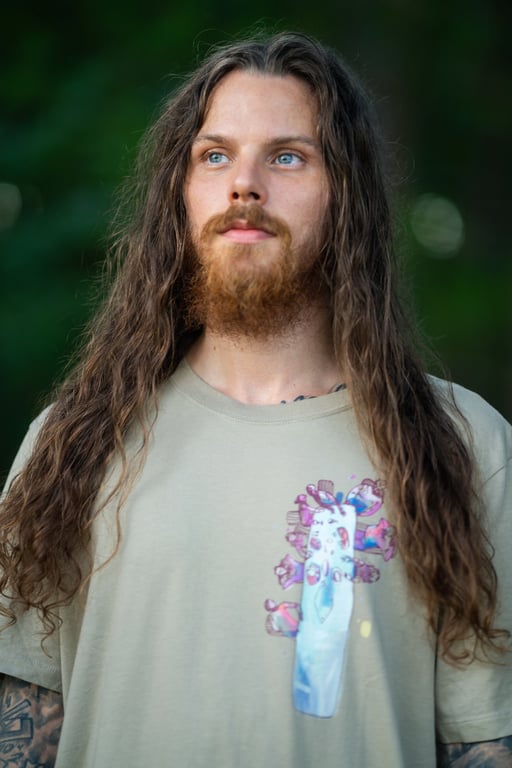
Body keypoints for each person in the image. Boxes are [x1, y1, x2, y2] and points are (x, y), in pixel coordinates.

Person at [0, 31, 511, 768]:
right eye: (215, 156)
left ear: (349, 196)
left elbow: (483, 741)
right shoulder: (70, 445)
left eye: (287, 156)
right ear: (179, 194)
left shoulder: (463, 447)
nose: (245, 184)